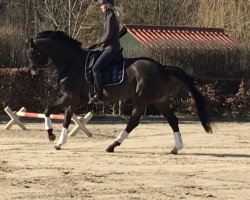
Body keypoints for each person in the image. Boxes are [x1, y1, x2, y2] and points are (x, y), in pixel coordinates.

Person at [90, 0, 121, 102]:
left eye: (102, 5)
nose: (101, 7)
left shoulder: (111, 17)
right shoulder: (108, 16)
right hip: (107, 47)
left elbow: (108, 35)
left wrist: (96, 42)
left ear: (107, 5)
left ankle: (99, 94)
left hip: (111, 48)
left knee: (96, 68)